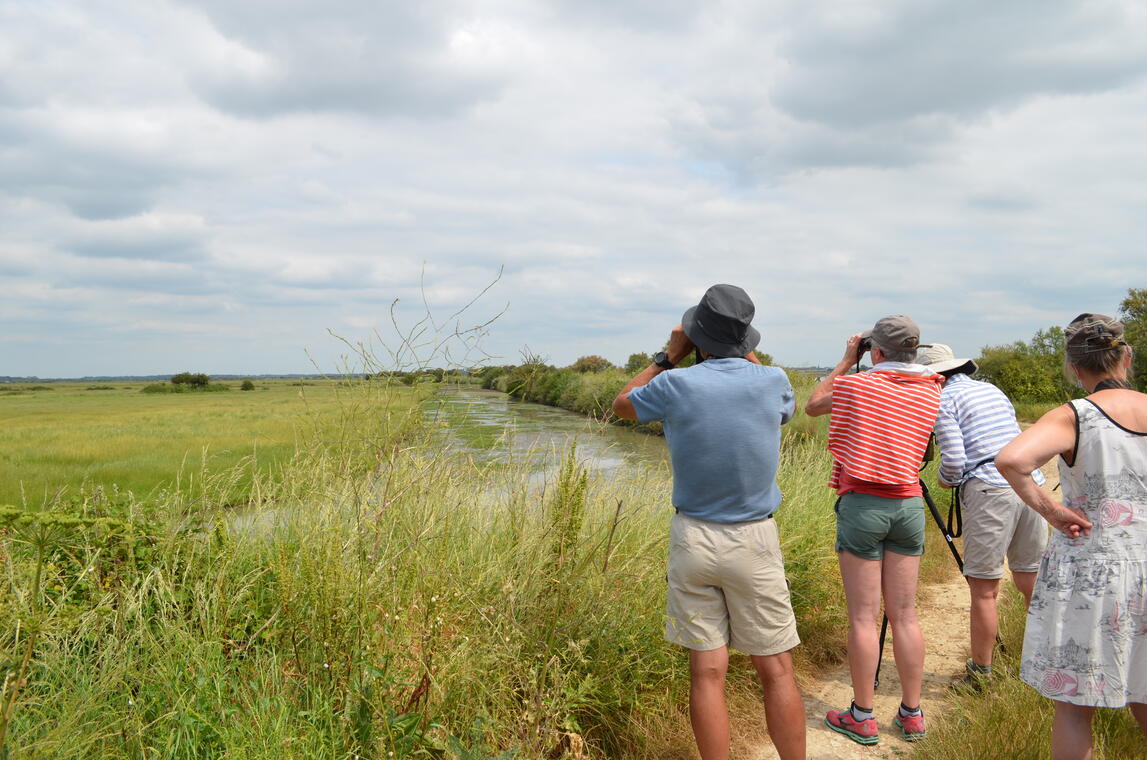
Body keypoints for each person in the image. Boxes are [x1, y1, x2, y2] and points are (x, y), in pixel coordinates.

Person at [612, 284, 806, 760]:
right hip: (754, 538)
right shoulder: (774, 381)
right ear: (746, 340)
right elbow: (784, 409)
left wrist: (668, 354)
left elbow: (621, 404)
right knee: (777, 668)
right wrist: (743, 351)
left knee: (707, 673)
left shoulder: (674, 385)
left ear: (697, 339)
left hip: (694, 538)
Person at [996, 313, 1147, 760]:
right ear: (1126, 356)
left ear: (1074, 367)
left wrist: (1055, 512)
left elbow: (1012, 460)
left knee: (1076, 706)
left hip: (1091, 570)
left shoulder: (1074, 416)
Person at [804, 316, 943, 745]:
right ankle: (911, 713)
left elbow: (813, 404)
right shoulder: (933, 387)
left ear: (875, 351)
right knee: (905, 615)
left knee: (864, 618)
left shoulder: (857, 385)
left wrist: (848, 358)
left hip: (864, 504)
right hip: (908, 504)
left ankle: (862, 715)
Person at [916, 344, 1048, 683]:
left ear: (932, 377)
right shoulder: (991, 389)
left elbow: (956, 460)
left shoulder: (942, 400)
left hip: (990, 489)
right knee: (1030, 579)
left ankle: (980, 673)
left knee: (985, 589)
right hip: (1029, 485)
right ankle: (1048, 661)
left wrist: (947, 481)